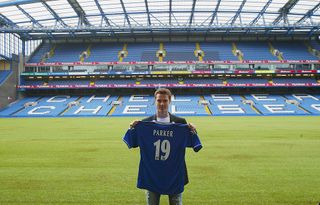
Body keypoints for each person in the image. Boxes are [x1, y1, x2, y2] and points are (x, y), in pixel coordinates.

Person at [127, 88, 199, 205]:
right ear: (154, 101)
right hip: (152, 175)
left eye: (165, 101)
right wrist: (133, 129)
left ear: (169, 101)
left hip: (175, 174)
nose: (162, 104)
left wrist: (193, 131)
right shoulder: (145, 123)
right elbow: (133, 143)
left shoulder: (181, 122)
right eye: (159, 100)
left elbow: (195, 146)